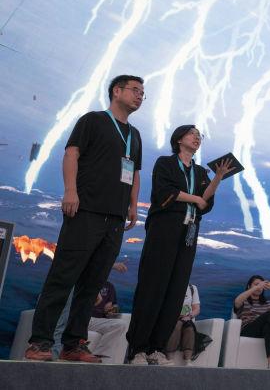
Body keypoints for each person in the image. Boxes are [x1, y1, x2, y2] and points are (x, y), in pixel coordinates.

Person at [24, 75, 144, 363]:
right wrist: (70, 190)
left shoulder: (135, 135)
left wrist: (132, 205)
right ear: (117, 91)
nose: (140, 96)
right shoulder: (93, 120)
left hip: (115, 218)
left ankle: (74, 344)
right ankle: (40, 342)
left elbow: (134, 172)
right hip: (86, 210)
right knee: (63, 276)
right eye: (135, 90)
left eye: (143, 93)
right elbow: (72, 153)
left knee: (93, 283)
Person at [125, 124, 233, 365]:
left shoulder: (200, 172)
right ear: (179, 139)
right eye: (192, 133)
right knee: (153, 286)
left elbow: (205, 201)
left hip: (188, 233)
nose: (197, 138)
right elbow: (165, 191)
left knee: (175, 290)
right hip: (164, 228)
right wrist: (194, 198)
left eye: (199, 136)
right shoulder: (165, 163)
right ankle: (138, 348)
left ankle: (156, 348)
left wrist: (217, 177)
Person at [51, 261, 128, 358]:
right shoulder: (78, 283)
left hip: (92, 320)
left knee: (120, 324)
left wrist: (112, 310)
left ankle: (100, 358)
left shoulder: (109, 286)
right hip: (75, 318)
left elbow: (112, 307)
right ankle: (59, 353)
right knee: (65, 320)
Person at [164, 284, 208, 365]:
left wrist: (189, 316)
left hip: (187, 320)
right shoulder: (169, 286)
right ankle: (169, 359)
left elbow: (196, 309)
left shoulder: (192, 288)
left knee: (189, 328)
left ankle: (188, 360)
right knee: (177, 325)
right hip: (172, 321)